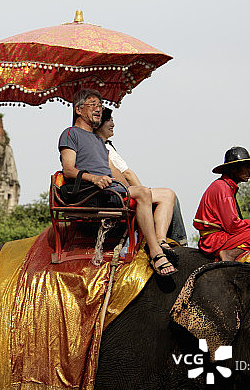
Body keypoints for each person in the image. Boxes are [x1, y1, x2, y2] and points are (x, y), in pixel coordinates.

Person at [58, 89, 177, 276]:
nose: (98, 109)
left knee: (159, 193)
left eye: (100, 105)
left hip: (110, 190)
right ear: (78, 110)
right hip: (90, 192)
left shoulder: (99, 140)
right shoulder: (70, 133)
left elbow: (112, 170)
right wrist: (94, 178)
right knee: (143, 193)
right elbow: (68, 169)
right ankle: (156, 253)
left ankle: (159, 240)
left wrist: (132, 189)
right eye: (93, 104)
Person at [93, 107, 186, 248]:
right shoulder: (104, 147)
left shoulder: (102, 146)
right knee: (168, 195)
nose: (113, 124)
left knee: (167, 196)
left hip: (117, 190)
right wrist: (143, 192)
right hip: (118, 192)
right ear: (99, 124)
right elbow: (127, 174)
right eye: (109, 120)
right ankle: (163, 240)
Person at [193, 146, 250, 261]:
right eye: (246, 167)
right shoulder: (223, 187)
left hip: (218, 238)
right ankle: (230, 254)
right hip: (215, 240)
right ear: (233, 168)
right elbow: (232, 226)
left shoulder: (225, 186)